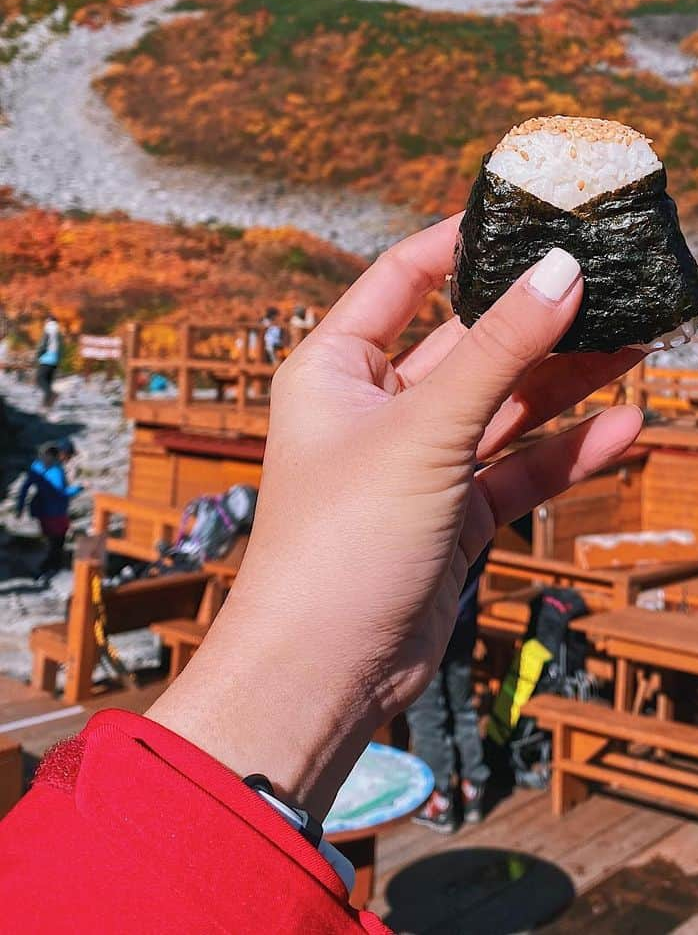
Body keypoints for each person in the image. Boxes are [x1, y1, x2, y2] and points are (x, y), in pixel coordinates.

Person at [0, 221, 644, 931]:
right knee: (452, 704)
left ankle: (446, 796)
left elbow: (69, 894)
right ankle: (464, 789)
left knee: (439, 710)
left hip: (159, 822)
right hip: (444, 636)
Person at [407, 546, 490, 832]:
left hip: (428, 632)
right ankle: (473, 789)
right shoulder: (479, 521)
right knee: (463, 709)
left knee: (427, 716)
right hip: (463, 627)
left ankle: (439, 799)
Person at [15, 438, 81, 576]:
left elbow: (25, 487)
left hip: (41, 511)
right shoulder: (56, 470)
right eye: (69, 455)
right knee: (57, 544)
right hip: (55, 512)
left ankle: (49, 569)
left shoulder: (37, 465)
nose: (68, 459)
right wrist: (78, 489)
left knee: (52, 542)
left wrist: (20, 507)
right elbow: (60, 493)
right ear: (62, 453)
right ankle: (47, 570)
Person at [35, 314, 63, 410]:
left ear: (49, 321)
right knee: (48, 381)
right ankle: (46, 404)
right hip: (54, 360)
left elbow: (42, 345)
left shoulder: (48, 330)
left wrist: (38, 355)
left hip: (46, 359)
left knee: (40, 379)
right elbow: (61, 348)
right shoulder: (58, 333)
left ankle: (51, 395)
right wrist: (58, 361)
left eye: (46, 320)